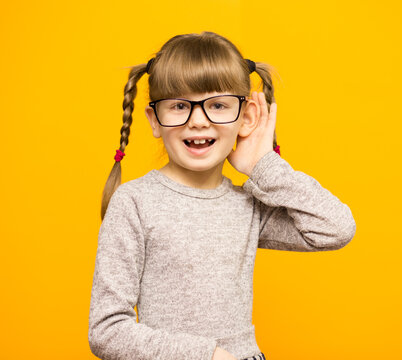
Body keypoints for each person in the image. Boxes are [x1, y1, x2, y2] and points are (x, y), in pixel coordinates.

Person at [88, 31, 356, 360]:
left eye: (217, 105)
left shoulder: (250, 206)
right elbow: (107, 331)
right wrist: (209, 355)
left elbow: (336, 227)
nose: (198, 121)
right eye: (179, 106)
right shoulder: (134, 203)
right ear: (154, 119)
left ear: (246, 117)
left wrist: (262, 166)